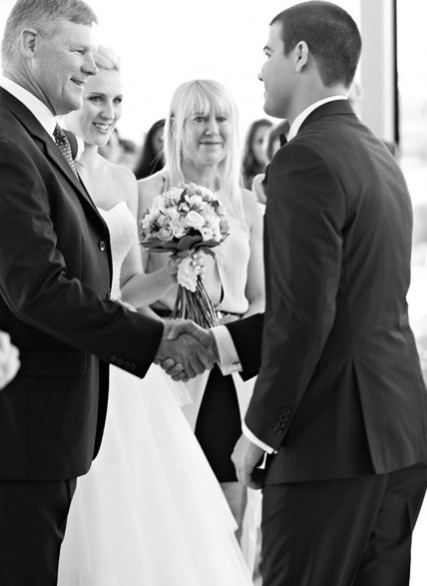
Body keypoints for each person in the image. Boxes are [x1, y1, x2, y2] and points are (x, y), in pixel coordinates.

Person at [168, 3, 427, 585]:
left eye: (268, 53)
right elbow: (344, 307)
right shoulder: (378, 156)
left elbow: (303, 317)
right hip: (400, 437)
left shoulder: (304, 160)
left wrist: (257, 434)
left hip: (330, 446)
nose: (260, 71)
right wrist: (218, 343)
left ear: (300, 55)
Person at [0, 1, 202, 584]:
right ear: (30, 43)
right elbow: (38, 288)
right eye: (77, 51)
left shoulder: (31, 135)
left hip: (37, 426)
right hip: (15, 427)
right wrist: (154, 339)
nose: (88, 69)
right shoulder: (2, 143)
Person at [56, 46, 253, 586]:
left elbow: (129, 289)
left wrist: (176, 269)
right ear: (70, 93)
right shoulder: (52, 172)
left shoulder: (120, 180)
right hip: (78, 350)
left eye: (117, 100)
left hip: (127, 361)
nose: (108, 112)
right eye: (97, 98)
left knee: (151, 513)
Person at [138, 79, 265, 543]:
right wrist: (166, 342)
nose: (213, 129)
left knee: (229, 511)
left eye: (222, 118)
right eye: (199, 118)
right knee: (166, 511)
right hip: (166, 364)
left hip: (228, 371)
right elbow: (123, 290)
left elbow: (263, 297)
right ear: (175, 128)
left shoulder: (249, 204)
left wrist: (222, 345)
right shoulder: (143, 194)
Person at [242, 118, 273, 189]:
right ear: (250, 147)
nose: (267, 146)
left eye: (270, 140)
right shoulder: (240, 183)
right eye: (261, 141)